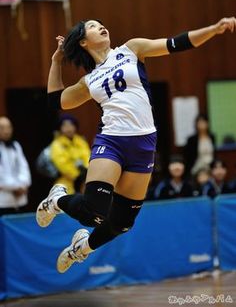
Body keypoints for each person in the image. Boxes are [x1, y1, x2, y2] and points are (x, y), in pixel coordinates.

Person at [36, 16, 236, 273]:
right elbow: (56, 101)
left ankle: (82, 248)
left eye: (101, 23)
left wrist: (214, 29)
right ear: (84, 41)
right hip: (112, 141)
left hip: (143, 145)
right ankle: (57, 200)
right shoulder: (90, 81)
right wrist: (56, 61)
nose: (101, 26)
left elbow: (177, 43)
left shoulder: (132, 49)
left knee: (122, 223)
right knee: (94, 212)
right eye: (93, 26)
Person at [50, 114, 90, 194]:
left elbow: (88, 157)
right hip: (66, 181)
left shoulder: (81, 141)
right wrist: (77, 175)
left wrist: (85, 173)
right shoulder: (57, 143)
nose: (68, 128)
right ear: (60, 128)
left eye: (71, 125)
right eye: (65, 125)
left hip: (84, 180)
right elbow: (62, 163)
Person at [0, 116, 32, 216]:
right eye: (2, 128)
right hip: (3, 200)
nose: (6, 131)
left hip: (20, 199)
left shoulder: (16, 146)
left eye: (8, 127)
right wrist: (15, 187)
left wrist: (23, 185)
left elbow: (24, 168)